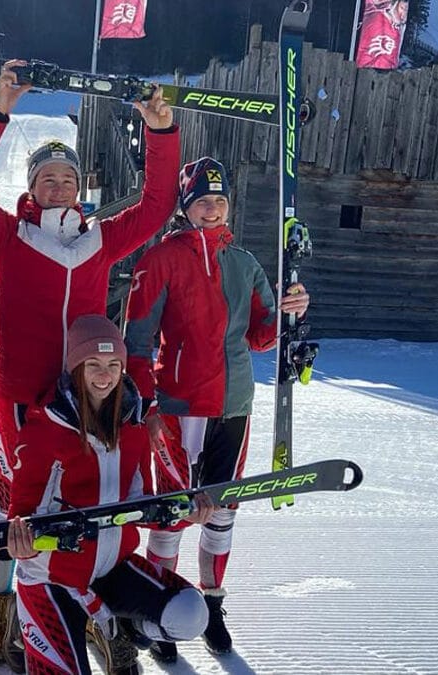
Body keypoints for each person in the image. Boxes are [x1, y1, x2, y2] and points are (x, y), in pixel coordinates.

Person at [0, 59, 180, 672]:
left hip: (92, 395)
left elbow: (158, 207)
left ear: (79, 187)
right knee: (17, 503)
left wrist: (160, 132)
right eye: (47, 178)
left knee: (92, 498)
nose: (58, 187)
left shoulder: (99, 239)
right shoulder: (10, 237)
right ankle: (9, 607)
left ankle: (90, 611)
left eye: (66, 178)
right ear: (32, 187)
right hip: (24, 398)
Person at [123, 157, 311, 660]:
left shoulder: (244, 262)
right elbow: (136, 341)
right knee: (173, 514)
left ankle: (212, 603)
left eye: (219, 201)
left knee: (222, 511)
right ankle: (161, 608)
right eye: (202, 201)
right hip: (179, 404)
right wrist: (148, 405)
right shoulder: (160, 259)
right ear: (186, 208)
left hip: (234, 403)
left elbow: (262, 336)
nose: (212, 209)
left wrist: (290, 310)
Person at [6, 314, 211, 675]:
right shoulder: (45, 429)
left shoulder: (131, 426)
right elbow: (21, 512)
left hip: (112, 567)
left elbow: (140, 504)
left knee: (191, 613)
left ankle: (124, 627)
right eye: (94, 365)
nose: (105, 375)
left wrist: (183, 512)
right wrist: (25, 543)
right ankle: (36, 621)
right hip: (51, 578)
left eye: (114, 365)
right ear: (76, 369)